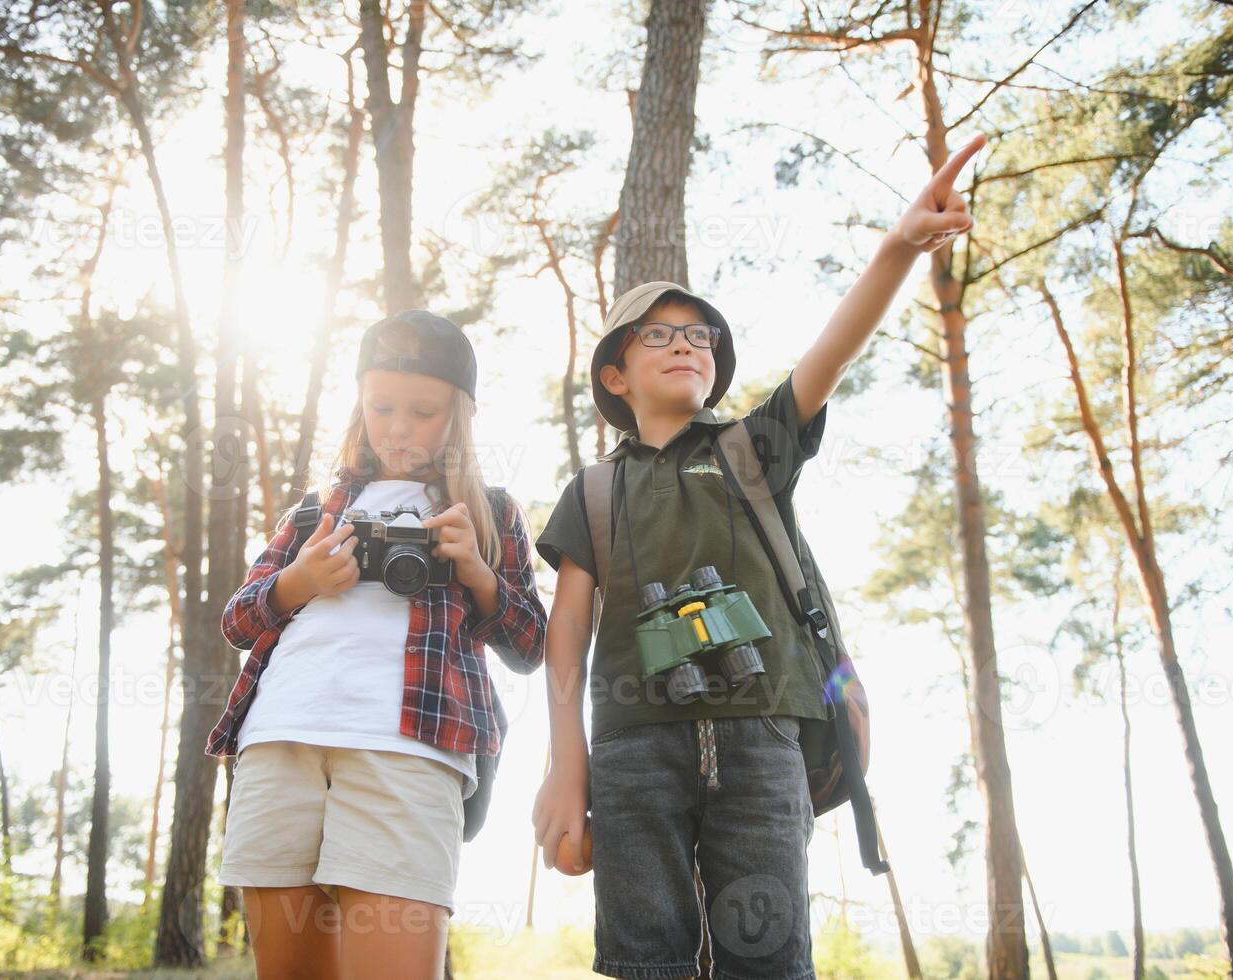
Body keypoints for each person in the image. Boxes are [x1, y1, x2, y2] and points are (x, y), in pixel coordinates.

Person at [532, 135, 985, 980]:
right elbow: (565, 639)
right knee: (643, 958)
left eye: (700, 337)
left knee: (765, 955)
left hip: (764, 734)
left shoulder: (752, 449)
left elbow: (832, 353)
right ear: (615, 374)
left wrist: (894, 249)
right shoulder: (592, 491)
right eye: (658, 335)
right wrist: (567, 766)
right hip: (632, 745)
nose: (685, 345)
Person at [205, 310, 547, 980]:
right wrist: (298, 581)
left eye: (421, 411)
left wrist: (476, 571)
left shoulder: (490, 511)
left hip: (411, 747)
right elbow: (239, 623)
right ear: (359, 405)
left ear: (458, 416)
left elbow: (531, 644)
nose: (396, 426)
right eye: (380, 406)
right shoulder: (311, 511)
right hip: (279, 739)